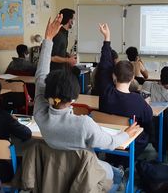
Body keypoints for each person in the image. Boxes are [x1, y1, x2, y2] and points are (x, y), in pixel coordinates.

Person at [34, 15, 141, 192]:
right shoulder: (83, 124)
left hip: (57, 174)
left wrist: (48, 40)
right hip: (84, 177)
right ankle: (121, 177)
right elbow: (111, 143)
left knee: (107, 167)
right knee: (114, 174)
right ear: (74, 100)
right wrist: (127, 134)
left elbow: (40, 77)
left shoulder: (40, 114)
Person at [97, 23, 153, 157]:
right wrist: (147, 104)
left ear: (113, 76)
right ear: (133, 77)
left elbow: (104, 64)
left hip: (106, 136)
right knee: (145, 132)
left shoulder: (105, 92)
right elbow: (148, 119)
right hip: (128, 141)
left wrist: (107, 38)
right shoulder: (138, 100)